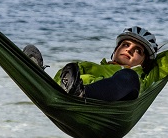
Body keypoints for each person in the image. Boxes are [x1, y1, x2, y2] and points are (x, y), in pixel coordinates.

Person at [23, 26, 160, 102]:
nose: (129, 49)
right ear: (115, 50)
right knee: (72, 68)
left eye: (138, 50)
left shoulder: (139, 77)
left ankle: (80, 93)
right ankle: (41, 82)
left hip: (106, 110)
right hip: (65, 99)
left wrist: (150, 64)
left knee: (129, 76)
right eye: (125, 44)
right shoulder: (91, 66)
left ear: (144, 62)